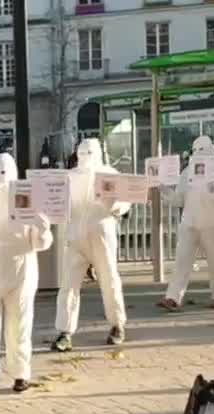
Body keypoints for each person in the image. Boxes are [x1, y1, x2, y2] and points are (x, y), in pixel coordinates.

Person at [0, 153, 53, 404]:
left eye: (4, 172)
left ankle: (20, 373)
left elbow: (41, 244)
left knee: (20, 325)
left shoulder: (27, 199)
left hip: (20, 271)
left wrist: (42, 227)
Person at [52, 138, 131, 352]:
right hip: (80, 233)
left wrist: (114, 204)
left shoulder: (108, 173)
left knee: (107, 278)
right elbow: (59, 204)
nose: (85, 156)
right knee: (71, 284)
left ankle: (116, 325)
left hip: (98, 231)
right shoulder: (70, 177)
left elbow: (123, 204)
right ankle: (66, 331)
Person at [158, 136, 214, 312]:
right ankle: (173, 297)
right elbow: (180, 199)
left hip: (213, 223)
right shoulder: (188, 172)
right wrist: (165, 192)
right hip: (189, 223)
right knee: (182, 260)